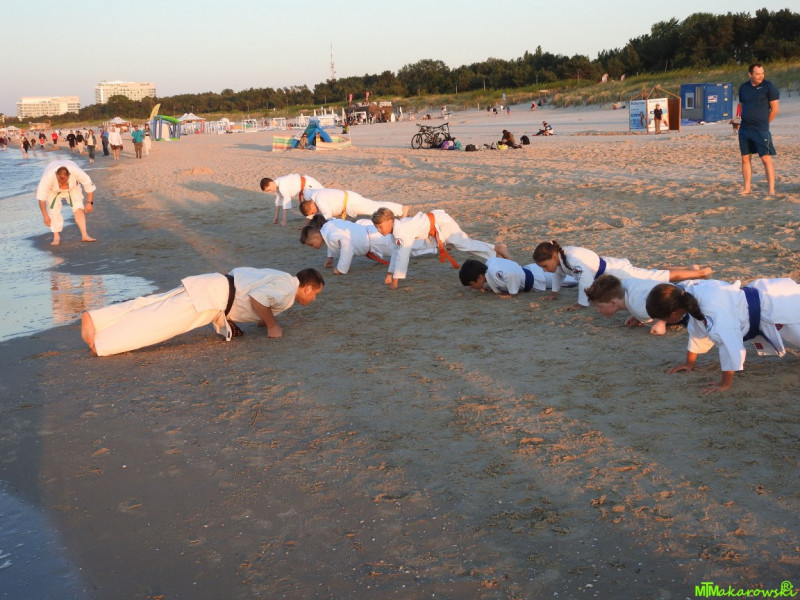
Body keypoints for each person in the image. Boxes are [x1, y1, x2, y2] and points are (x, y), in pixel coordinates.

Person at [81, 267, 324, 357]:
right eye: (314, 294)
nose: (313, 299)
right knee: (159, 323)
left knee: (154, 303)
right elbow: (257, 298)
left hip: (213, 285)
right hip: (214, 298)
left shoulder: (282, 278)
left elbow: (255, 293)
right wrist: (272, 326)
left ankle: (97, 319)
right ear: (307, 288)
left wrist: (263, 319)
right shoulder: (287, 289)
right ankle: (103, 342)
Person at [645, 278, 800, 394]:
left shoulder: (713, 312)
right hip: (767, 297)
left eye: (662, 318)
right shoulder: (683, 292)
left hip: (778, 306)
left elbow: (730, 346)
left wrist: (725, 383)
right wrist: (689, 362)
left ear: (673, 314)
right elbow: (697, 330)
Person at [532, 240, 712, 310]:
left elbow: (585, 282)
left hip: (616, 272)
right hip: (609, 270)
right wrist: (554, 293)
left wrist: (581, 304)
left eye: (545, 266)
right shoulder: (561, 257)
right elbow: (558, 274)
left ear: (553, 257)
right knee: (652, 273)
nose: (545, 270)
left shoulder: (572, 259)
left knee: (656, 277)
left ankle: (700, 273)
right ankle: (689, 268)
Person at [372, 207, 510, 289]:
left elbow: (402, 255)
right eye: (376, 227)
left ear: (390, 221)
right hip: (435, 225)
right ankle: (495, 251)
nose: (379, 230)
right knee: (463, 244)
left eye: (380, 226)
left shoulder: (401, 231)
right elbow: (396, 251)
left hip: (441, 223)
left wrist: (395, 281)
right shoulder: (396, 230)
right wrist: (389, 275)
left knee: (464, 244)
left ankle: (497, 249)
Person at [300, 215, 437, 275]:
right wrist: (330, 257)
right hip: (369, 232)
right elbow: (334, 242)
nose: (313, 247)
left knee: (406, 247)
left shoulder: (330, 234)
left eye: (311, 244)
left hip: (376, 241)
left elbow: (346, 247)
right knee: (405, 240)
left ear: (316, 236)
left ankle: (435, 245)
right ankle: (432, 240)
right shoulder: (329, 227)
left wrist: (341, 269)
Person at [584, 274, 683, 335]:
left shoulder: (639, 308)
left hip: (682, 303)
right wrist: (636, 317)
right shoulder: (625, 284)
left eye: (599, 306)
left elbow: (671, 300)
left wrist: (661, 322)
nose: (598, 310)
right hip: (678, 288)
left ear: (613, 302)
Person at [736, 63, 780, 195]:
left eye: (762, 73)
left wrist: (765, 123)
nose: (761, 76)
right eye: (757, 74)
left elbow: (775, 109)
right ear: (750, 74)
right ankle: (747, 188)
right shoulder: (744, 87)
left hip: (761, 129)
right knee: (745, 158)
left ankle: (771, 189)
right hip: (745, 128)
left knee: (765, 158)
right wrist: (737, 120)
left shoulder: (769, 87)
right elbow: (740, 105)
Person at [36, 160, 97, 245]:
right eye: (60, 181)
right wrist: (45, 216)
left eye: (64, 181)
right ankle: (56, 237)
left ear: (69, 175)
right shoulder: (48, 177)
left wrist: (89, 203)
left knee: (78, 207)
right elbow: (41, 198)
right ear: (56, 175)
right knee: (54, 210)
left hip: (73, 188)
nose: (62, 184)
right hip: (53, 190)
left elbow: (89, 185)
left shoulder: (76, 172)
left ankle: (84, 235)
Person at [459, 257, 576, 297]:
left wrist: (512, 293)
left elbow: (511, 274)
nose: (471, 287)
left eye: (471, 284)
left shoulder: (494, 273)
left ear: (480, 277)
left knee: (574, 280)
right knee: (564, 271)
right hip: (531, 270)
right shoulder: (490, 263)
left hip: (538, 278)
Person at [300, 188, 409, 221]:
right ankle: (399, 209)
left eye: (313, 212)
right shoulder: (314, 194)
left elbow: (328, 216)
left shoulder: (319, 201)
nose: (315, 212)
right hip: (349, 200)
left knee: (374, 208)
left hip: (351, 202)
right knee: (373, 207)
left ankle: (401, 209)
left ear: (311, 208)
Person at [260, 174, 324, 227]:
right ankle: (308, 224)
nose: (270, 192)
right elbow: (278, 201)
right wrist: (276, 217)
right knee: (316, 203)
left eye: (269, 189)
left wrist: (284, 220)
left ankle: (307, 225)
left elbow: (286, 201)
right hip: (304, 188)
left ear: (271, 183)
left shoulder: (282, 184)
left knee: (319, 201)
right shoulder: (277, 186)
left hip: (308, 184)